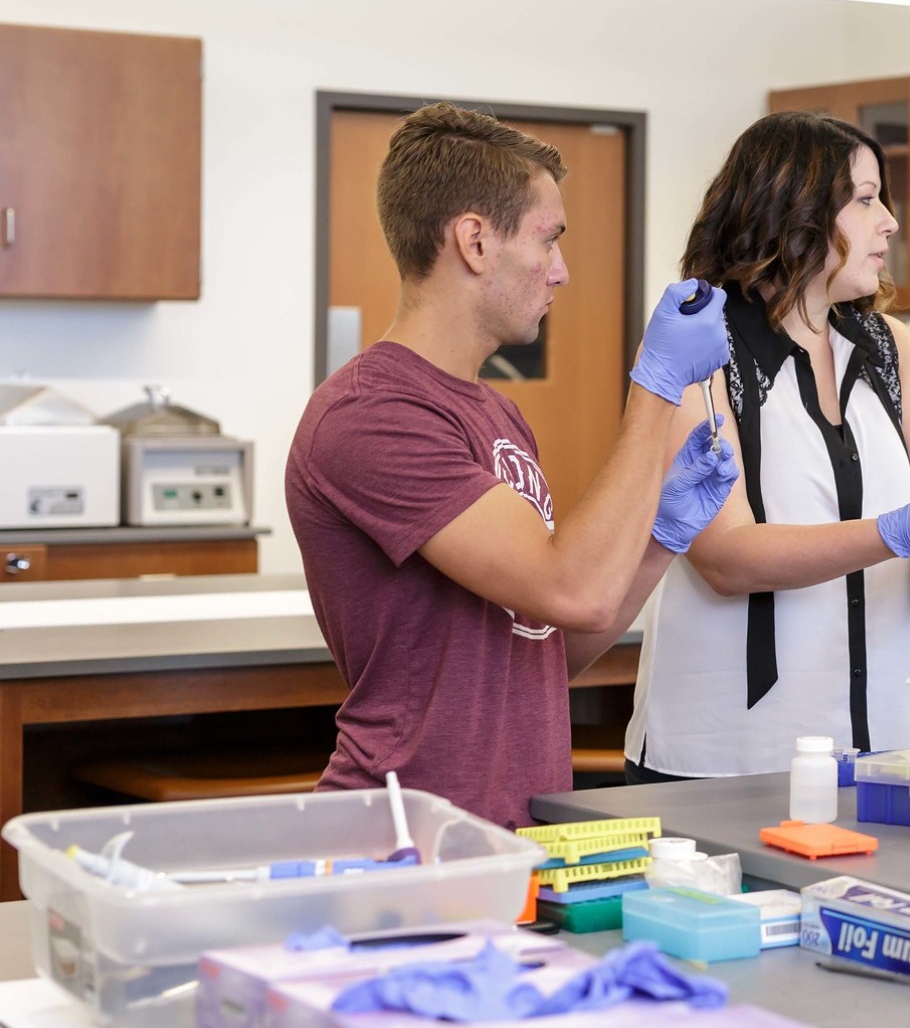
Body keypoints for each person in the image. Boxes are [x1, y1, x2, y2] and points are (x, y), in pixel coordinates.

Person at [286, 103, 736, 828]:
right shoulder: (373, 415)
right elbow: (575, 591)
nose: (561, 272)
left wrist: (660, 536)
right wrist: (654, 391)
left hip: (510, 833)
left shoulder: (495, 414)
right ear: (474, 241)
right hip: (408, 839)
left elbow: (545, 653)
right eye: (548, 239)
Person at [623, 111, 910, 780]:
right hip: (730, 756)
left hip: (885, 743)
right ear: (792, 209)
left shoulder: (889, 348)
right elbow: (724, 556)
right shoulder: (701, 348)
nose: (888, 220)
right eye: (864, 199)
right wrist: (893, 531)